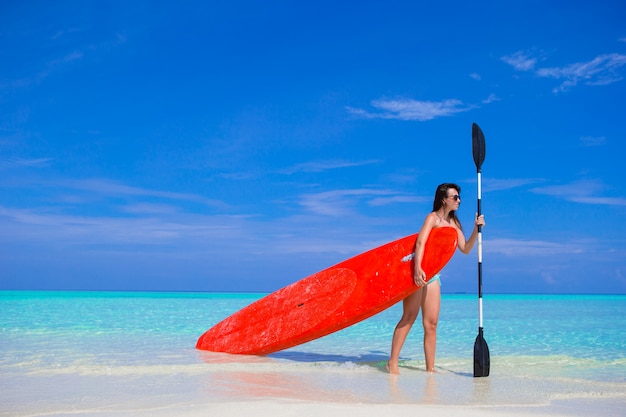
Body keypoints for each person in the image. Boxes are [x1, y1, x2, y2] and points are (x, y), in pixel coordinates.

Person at [387, 183, 485, 374]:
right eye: (455, 197)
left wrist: (476, 229)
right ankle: (392, 362)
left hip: (433, 277)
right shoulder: (432, 218)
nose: (459, 200)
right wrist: (417, 269)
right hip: (417, 272)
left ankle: (430, 369)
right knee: (409, 317)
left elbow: (465, 249)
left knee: (431, 324)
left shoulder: (454, 224)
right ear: (443, 199)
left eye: (459, 197)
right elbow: (420, 243)